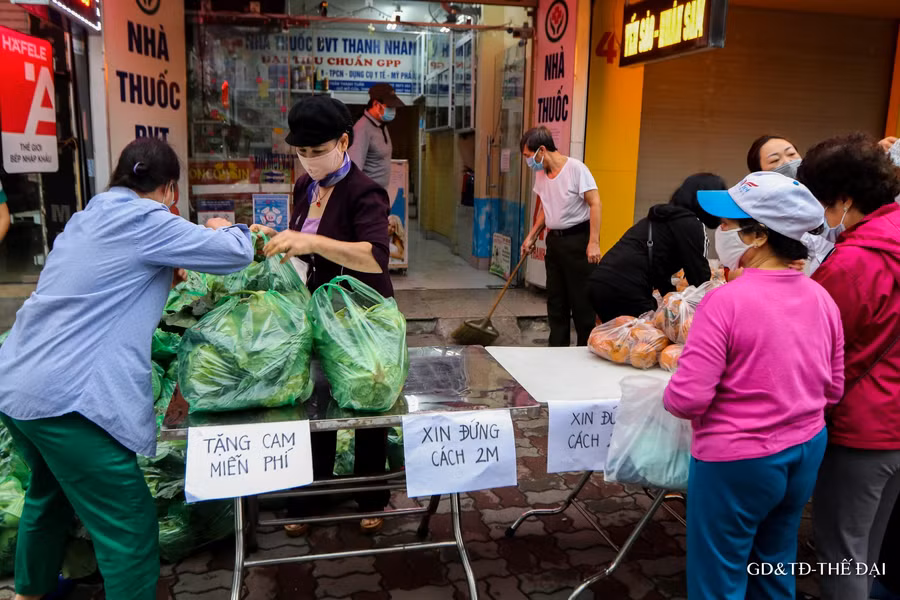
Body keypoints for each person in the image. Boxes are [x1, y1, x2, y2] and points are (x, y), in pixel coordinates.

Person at [0, 138, 254, 600]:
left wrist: (161, 271)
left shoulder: (88, 216)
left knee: (48, 493)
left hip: (17, 382)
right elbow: (235, 254)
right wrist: (225, 227)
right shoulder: (147, 218)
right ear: (170, 189)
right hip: (68, 401)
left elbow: (103, 284)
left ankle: (28, 594)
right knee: (129, 524)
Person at [663, 171, 844, 600]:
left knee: (719, 578)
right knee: (774, 563)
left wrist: (671, 387)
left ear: (759, 235)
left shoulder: (724, 300)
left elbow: (688, 398)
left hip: (737, 459)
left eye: (729, 223)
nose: (720, 231)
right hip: (805, 448)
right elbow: (833, 389)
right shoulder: (821, 297)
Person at [254, 95, 393, 536]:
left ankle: (371, 496)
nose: (310, 159)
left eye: (318, 150)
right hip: (318, 309)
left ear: (344, 142)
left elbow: (374, 257)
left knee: (366, 403)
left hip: (363, 315)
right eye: (302, 151)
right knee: (316, 405)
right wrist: (277, 238)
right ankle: (308, 499)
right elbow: (304, 245)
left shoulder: (364, 192)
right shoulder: (305, 187)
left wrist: (311, 242)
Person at [796, 133, 900, 600]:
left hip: (862, 429)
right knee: (869, 546)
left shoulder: (852, 265)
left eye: (821, 202)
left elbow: (817, 349)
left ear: (842, 200)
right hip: (893, 425)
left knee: (842, 554)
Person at [586, 173, 724, 322]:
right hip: (625, 287)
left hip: (599, 282)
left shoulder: (663, 217)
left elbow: (659, 266)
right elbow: (700, 280)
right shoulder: (691, 224)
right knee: (650, 333)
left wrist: (670, 298)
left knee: (624, 334)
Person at [520, 126, 602, 347]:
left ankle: (585, 349)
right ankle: (557, 348)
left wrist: (593, 242)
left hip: (578, 241)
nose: (528, 161)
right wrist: (532, 236)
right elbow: (546, 208)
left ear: (542, 150)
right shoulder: (541, 175)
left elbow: (595, 203)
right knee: (556, 300)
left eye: (528, 155)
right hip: (554, 242)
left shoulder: (576, 169)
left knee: (581, 301)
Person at [746, 135, 833, 275]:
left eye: (791, 154)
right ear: (760, 173)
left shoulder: (828, 196)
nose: (787, 162)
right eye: (775, 160)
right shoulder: (760, 214)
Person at [348, 83, 404, 190]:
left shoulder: (381, 125)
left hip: (379, 194)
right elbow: (353, 172)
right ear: (376, 105)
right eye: (390, 107)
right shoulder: (362, 129)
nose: (393, 111)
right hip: (367, 196)